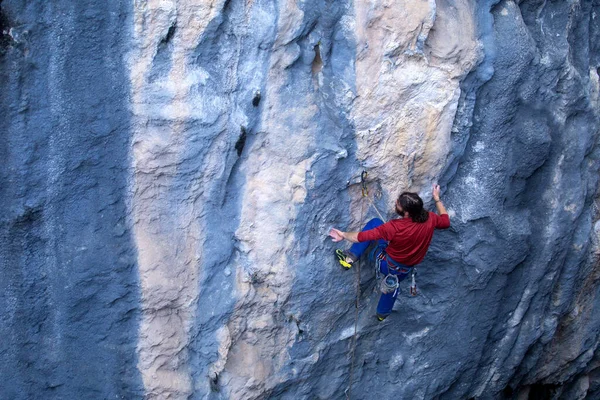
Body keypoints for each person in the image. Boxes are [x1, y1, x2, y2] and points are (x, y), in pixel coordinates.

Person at [329, 184, 450, 321]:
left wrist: (343, 234)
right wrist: (437, 199)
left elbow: (360, 237)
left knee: (375, 222)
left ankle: (349, 258)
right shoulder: (430, 218)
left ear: (406, 213)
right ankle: (382, 314)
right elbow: (445, 222)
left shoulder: (394, 227)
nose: (395, 203)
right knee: (393, 284)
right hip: (405, 270)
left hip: (386, 264)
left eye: (398, 204)